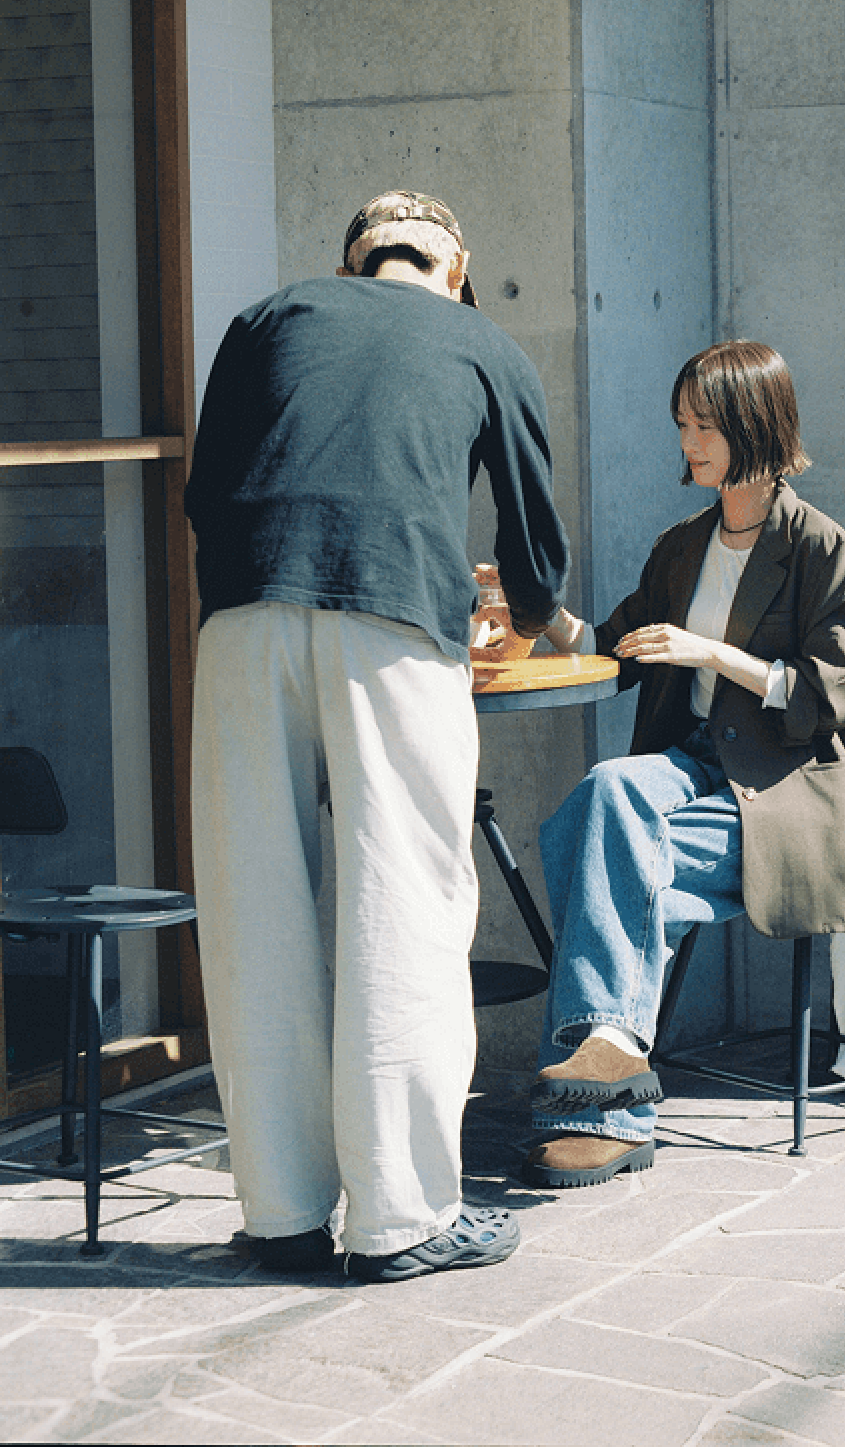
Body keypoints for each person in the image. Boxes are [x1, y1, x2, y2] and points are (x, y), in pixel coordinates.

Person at [186, 191, 567, 1280]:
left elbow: (207, 492)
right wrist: (516, 613)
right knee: (401, 895)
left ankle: (282, 1212)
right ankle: (403, 1215)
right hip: (394, 619)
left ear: (352, 267)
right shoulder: (479, 339)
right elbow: (537, 553)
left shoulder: (268, 321)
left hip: (244, 617)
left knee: (254, 900)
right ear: (457, 269)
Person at [515, 339, 845, 1187]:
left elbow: (825, 696)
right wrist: (537, 611)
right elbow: (615, 650)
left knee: (601, 851)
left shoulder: (825, 549)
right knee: (609, 792)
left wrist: (712, 654)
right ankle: (612, 1058)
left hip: (787, 787)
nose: (688, 443)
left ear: (755, 427)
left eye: (706, 427)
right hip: (689, 769)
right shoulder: (682, 547)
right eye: (683, 424)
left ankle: (599, 1104)